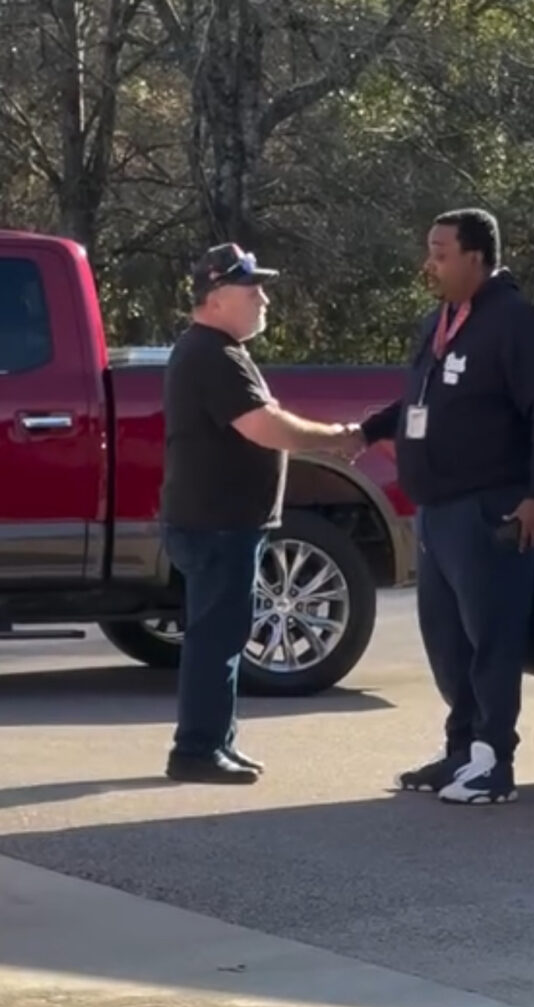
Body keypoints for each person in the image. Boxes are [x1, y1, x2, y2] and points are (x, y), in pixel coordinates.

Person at [357, 209, 534, 805]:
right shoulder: (440, 321)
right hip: (436, 511)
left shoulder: (515, 323)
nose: (429, 264)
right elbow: (417, 401)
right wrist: (365, 431)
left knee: (491, 640)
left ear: (476, 257)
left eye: (441, 252)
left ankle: (493, 762)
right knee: (446, 641)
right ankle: (461, 751)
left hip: (490, 508)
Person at [160, 243, 360, 784]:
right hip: (217, 523)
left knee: (222, 636)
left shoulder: (216, 351)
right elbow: (264, 426)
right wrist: (338, 438)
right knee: (216, 639)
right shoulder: (212, 355)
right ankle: (196, 750)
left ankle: (216, 741)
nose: (264, 299)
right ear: (216, 297)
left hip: (220, 521)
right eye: (252, 290)